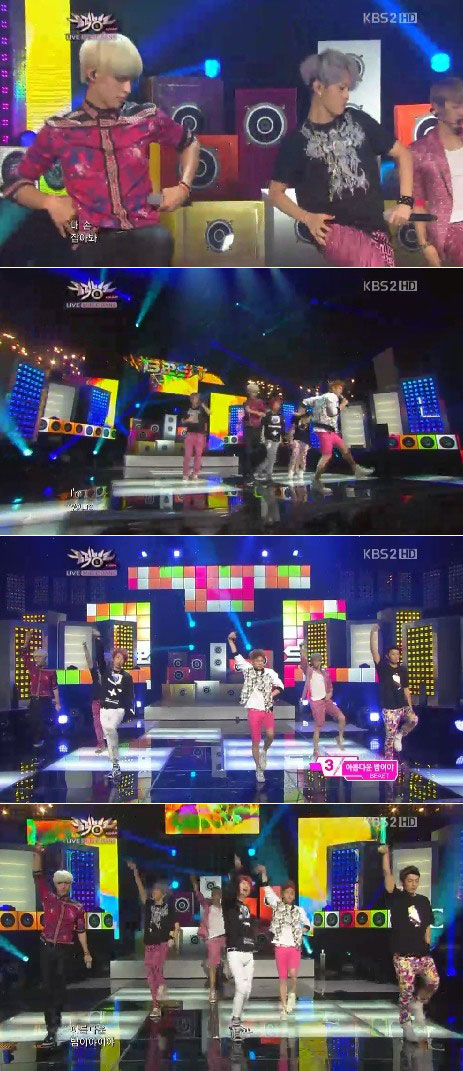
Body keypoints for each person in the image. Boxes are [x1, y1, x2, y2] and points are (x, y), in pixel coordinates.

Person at [1, 34, 200, 267]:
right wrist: (50, 202)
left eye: (131, 81)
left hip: (142, 229)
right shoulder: (61, 130)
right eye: (120, 80)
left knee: (158, 240)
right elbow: (16, 184)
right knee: (81, 249)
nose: (127, 89)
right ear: (93, 75)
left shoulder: (145, 118)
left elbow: (189, 143)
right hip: (88, 234)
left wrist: (183, 187)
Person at [269, 49, 414, 267]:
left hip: (376, 232)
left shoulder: (360, 121)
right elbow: (275, 193)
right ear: (319, 88)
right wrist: (307, 218)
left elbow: (403, 154)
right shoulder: (297, 141)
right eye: (341, 88)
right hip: (335, 233)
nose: (347, 95)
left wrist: (405, 202)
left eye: (348, 89)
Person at [32, 843, 92, 1049]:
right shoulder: (47, 898)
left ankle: (56, 1020)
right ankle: (51, 1028)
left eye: (66, 883)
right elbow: (37, 876)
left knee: (59, 988)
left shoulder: (78, 907)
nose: (63, 886)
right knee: (47, 987)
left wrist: (86, 952)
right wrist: (37, 854)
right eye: (60, 883)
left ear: (70, 884)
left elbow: (81, 930)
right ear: (56, 884)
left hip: (64, 950)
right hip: (46, 947)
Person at [378, 845, 439, 1043]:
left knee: (434, 981)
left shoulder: (424, 901)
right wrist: (386, 855)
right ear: (404, 882)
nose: (413, 884)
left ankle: (419, 1002)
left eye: (416, 881)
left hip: (422, 953)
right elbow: (387, 873)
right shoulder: (396, 898)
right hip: (403, 955)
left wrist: (428, 940)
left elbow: (427, 924)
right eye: (410, 881)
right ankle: (405, 1023)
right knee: (406, 991)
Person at [410, 77, 463, 267]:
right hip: (450, 228)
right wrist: (424, 244)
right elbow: (418, 202)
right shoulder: (419, 151)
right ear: (437, 107)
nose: (462, 112)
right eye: (456, 106)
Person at [227, 631, 284, 783]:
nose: (259, 662)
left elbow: (280, 686)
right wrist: (231, 641)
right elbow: (236, 655)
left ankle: (265, 751)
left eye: (261, 660)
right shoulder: (247, 669)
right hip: (253, 710)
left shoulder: (270, 672)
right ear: (252, 661)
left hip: (268, 709)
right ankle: (259, 769)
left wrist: (271, 694)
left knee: (270, 735)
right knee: (255, 741)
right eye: (257, 660)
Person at [255, 863, 310, 1018]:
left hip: (294, 947)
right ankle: (284, 1008)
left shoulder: (299, 910)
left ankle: (292, 994)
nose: (290, 895)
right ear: (283, 894)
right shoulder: (277, 904)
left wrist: (302, 930)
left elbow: (307, 924)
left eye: (293, 893)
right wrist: (264, 872)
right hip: (280, 947)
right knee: (283, 979)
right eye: (288, 893)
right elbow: (267, 888)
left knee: (293, 975)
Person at [127, 861, 180, 1020]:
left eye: (156, 891)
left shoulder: (169, 908)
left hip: (162, 943)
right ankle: (156, 1004)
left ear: (162, 893)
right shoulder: (149, 905)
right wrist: (135, 873)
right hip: (149, 943)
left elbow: (176, 926)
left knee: (157, 967)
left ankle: (162, 986)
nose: (153, 892)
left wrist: (173, 938)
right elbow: (141, 890)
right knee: (150, 974)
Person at [304, 380, 374, 495]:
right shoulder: (332, 397)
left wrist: (302, 410)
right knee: (327, 456)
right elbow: (333, 412)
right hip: (325, 431)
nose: (341, 390)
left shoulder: (322, 397)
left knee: (345, 449)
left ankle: (356, 469)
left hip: (330, 431)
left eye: (342, 388)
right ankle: (315, 481)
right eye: (340, 388)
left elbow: (306, 401)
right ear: (334, 388)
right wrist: (342, 405)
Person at [87, 630, 135, 779]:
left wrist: (130, 712)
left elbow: (129, 695)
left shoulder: (127, 677)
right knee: (108, 736)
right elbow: (100, 658)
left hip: (118, 709)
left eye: (122, 659)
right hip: (104, 708)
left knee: (110, 729)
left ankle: (115, 763)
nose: (119, 661)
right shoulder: (105, 672)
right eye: (118, 657)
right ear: (114, 658)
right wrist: (98, 640)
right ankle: (115, 765)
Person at [370, 624, 419, 760]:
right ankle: (389, 761)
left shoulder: (403, 670)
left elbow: (406, 689)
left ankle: (400, 734)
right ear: (388, 656)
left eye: (398, 654)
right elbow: (374, 651)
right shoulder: (383, 668)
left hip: (402, 705)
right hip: (389, 708)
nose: (396, 656)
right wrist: (373, 633)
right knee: (389, 737)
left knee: (414, 720)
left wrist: (410, 707)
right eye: (393, 654)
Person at [222, 858, 257, 1041]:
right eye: (242, 884)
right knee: (241, 987)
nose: (246, 886)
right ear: (237, 886)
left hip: (249, 953)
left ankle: (238, 1021)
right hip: (235, 951)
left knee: (247, 991)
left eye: (248, 885)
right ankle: (235, 1024)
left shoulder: (246, 907)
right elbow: (229, 890)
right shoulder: (229, 904)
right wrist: (237, 870)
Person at [299, 646, 346, 759]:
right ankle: (315, 750)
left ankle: (340, 738)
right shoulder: (309, 671)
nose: (316, 662)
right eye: (314, 660)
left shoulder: (325, 674)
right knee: (319, 725)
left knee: (342, 717)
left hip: (326, 700)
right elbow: (303, 662)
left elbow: (330, 688)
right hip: (316, 702)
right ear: (312, 662)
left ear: (320, 661)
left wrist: (329, 695)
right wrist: (302, 650)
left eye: (318, 660)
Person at [21, 630, 61, 749]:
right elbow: (24, 655)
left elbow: (55, 688)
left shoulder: (50, 672)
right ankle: (37, 741)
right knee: (33, 721)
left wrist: (57, 703)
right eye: (35, 657)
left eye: (39, 657)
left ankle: (43, 741)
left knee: (42, 722)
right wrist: (27, 640)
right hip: (34, 700)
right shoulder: (32, 668)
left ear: (44, 658)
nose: (37, 659)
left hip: (45, 700)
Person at [190, 875, 226, 1003]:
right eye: (214, 894)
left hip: (225, 938)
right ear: (211, 896)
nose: (216, 896)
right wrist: (194, 883)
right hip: (212, 939)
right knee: (212, 965)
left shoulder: (225, 908)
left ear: (221, 896)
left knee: (226, 961)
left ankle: (222, 979)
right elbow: (198, 895)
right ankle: (212, 991)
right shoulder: (207, 906)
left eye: (218, 894)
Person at [83, 630, 105, 753]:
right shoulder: (94, 672)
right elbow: (89, 660)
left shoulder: (108, 673)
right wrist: (85, 648)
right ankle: (101, 744)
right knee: (97, 723)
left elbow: (101, 657)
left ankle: (110, 743)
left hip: (107, 701)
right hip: (96, 700)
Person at [254, 396, 285, 482]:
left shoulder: (281, 416)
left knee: (270, 457)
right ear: (272, 404)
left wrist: (281, 439)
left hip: (277, 439)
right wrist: (263, 439)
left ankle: (259, 469)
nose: (278, 406)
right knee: (272, 457)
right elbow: (262, 427)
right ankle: (269, 475)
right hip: (269, 439)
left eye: (279, 404)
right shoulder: (267, 415)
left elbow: (281, 429)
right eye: (276, 404)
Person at [242, 383, 267, 485]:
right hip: (249, 429)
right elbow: (246, 412)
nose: (254, 394)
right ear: (249, 392)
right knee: (248, 451)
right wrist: (253, 413)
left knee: (256, 452)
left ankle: (252, 471)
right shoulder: (246, 402)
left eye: (255, 392)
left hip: (257, 429)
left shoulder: (260, 402)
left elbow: (263, 414)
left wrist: (253, 412)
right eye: (252, 392)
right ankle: (248, 474)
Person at [181, 393, 210, 481]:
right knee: (187, 455)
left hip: (200, 434)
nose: (195, 399)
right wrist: (187, 420)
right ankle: (185, 474)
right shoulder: (187, 409)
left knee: (198, 455)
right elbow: (182, 421)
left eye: (197, 398)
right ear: (191, 399)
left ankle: (195, 473)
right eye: (193, 398)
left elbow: (209, 413)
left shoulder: (202, 408)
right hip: (190, 434)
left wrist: (203, 405)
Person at [288, 403, 311, 481]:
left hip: (305, 439)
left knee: (303, 456)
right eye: (300, 408)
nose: (301, 410)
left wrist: (301, 415)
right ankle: (291, 470)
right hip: (297, 438)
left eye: (303, 408)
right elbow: (292, 428)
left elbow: (309, 420)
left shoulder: (308, 416)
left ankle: (301, 470)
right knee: (295, 453)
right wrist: (290, 439)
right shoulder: (295, 417)